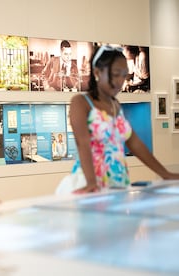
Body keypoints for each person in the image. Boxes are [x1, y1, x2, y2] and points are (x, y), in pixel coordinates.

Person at [67, 45, 179, 193]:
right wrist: (91, 182)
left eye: (124, 75)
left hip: (118, 182)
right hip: (91, 182)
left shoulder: (115, 105)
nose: (120, 81)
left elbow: (135, 143)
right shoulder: (80, 103)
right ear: (97, 72)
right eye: (115, 74)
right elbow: (83, 144)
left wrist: (165, 174)